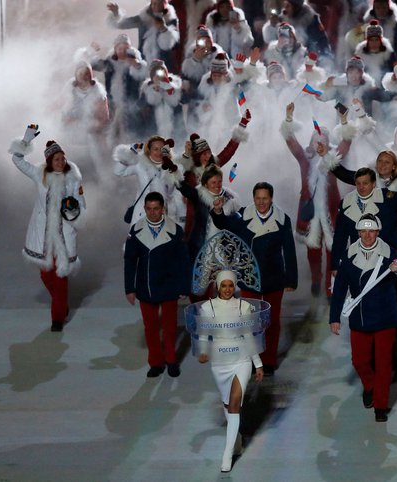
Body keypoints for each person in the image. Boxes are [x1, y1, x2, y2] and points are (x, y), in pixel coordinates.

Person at [211, 182, 298, 374]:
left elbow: (289, 251)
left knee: (272, 321)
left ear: (271, 198)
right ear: (253, 198)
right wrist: (217, 211)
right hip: (250, 277)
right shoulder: (243, 215)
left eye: (265, 198)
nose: (261, 202)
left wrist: (291, 280)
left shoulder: (283, 219)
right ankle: (253, 359)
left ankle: (268, 360)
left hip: (274, 277)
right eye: (257, 198)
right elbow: (225, 224)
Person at [9, 128, 86, 332]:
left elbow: (80, 204)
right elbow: (17, 160)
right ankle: (61, 305)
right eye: (57, 159)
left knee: (61, 278)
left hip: (63, 235)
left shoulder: (73, 178)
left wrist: (72, 209)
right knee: (46, 276)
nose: (61, 162)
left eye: (63, 158)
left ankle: (57, 319)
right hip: (43, 234)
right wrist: (25, 140)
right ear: (50, 162)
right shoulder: (39, 173)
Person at [329, 213, 397, 422]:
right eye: (363, 231)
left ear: (378, 231)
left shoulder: (390, 253)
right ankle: (370, 386)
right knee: (359, 361)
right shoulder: (349, 255)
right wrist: (334, 317)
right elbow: (341, 288)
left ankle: (381, 405)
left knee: (383, 363)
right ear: (358, 232)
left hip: (385, 316)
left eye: (371, 231)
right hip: (360, 317)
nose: (367, 235)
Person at [280, 102, 353, 298]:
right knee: (313, 249)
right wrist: (288, 119)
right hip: (310, 211)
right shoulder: (304, 158)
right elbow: (291, 141)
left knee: (332, 249)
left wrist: (344, 120)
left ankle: (331, 287)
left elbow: (346, 142)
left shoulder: (333, 158)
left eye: (323, 140)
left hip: (331, 210)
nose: (319, 143)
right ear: (311, 141)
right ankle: (316, 279)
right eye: (316, 139)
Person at [194, 270, 265, 472]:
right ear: (217, 286)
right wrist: (203, 352)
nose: (227, 289)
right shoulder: (208, 308)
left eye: (230, 285)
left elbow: (249, 336)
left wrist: (257, 363)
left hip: (241, 359)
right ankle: (238, 439)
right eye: (223, 285)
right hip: (219, 362)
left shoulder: (244, 306)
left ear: (235, 286)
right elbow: (203, 334)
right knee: (227, 403)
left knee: (234, 405)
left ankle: (227, 455)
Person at [124, 192, 190, 378]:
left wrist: (184, 287)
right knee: (150, 328)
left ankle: (171, 361)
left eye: (156, 209)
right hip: (146, 287)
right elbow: (130, 261)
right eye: (149, 209)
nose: (152, 213)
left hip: (169, 286)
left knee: (169, 328)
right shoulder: (136, 231)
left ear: (163, 209)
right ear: (144, 209)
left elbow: (183, 261)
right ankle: (155, 363)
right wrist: (129, 288)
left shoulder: (175, 230)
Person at [330, 163, 397, 272]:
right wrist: (335, 265)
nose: (361, 187)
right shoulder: (346, 204)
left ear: (373, 184)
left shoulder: (386, 197)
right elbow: (340, 237)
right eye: (358, 183)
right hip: (360, 263)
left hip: (387, 263)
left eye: (365, 183)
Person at [113, 135, 183, 225]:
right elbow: (118, 172)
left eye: (162, 149)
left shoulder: (172, 168)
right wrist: (129, 152)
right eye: (155, 149)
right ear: (149, 150)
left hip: (162, 216)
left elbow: (172, 194)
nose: (159, 152)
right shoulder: (140, 165)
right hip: (140, 215)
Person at [106, 0, 180, 72]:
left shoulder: (171, 20)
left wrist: (163, 29)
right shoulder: (143, 18)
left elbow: (171, 43)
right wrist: (116, 13)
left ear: (165, 3)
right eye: (154, 3)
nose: (156, 6)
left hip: (164, 63)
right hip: (144, 63)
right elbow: (122, 24)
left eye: (159, 3)